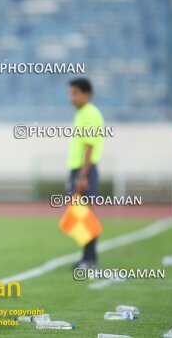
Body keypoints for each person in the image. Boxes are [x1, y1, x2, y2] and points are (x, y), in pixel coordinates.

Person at [67, 78, 105, 269]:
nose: (71, 97)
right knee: (79, 215)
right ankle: (87, 257)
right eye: (71, 93)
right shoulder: (83, 113)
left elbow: (90, 146)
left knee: (83, 214)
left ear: (87, 94)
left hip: (84, 171)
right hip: (79, 170)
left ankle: (90, 259)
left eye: (75, 93)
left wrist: (82, 175)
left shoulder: (90, 113)